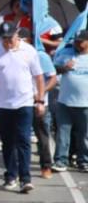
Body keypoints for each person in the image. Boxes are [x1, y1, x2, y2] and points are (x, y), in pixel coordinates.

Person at [0, 22, 46, 193]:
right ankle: (11, 176)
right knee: (8, 142)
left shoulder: (29, 51)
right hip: (3, 104)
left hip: (24, 102)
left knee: (23, 140)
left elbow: (39, 78)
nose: (7, 42)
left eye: (10, 38)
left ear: (16, 35)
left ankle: (26, 179)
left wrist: (40, 101)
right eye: (4, 38)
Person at [21, 28, 58, 179]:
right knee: (21, 136)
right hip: (21, 102)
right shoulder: (13, 55)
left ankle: (46, 166)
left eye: (23, 39)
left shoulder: (41, 56)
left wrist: (40, 95)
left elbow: (53, 79)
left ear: (29, 40)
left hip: (39, 103)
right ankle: (20, 167)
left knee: (42, 135)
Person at [52, 30, 88, 172]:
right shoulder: (66, 53)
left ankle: (84, 160)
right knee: (62, 132)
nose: (77, 44)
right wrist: (64, 68)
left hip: (85, 103)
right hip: (65, 101)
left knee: (84, 134)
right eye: (76, 41)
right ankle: (61, 161)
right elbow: (53, 69)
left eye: (81, 41)